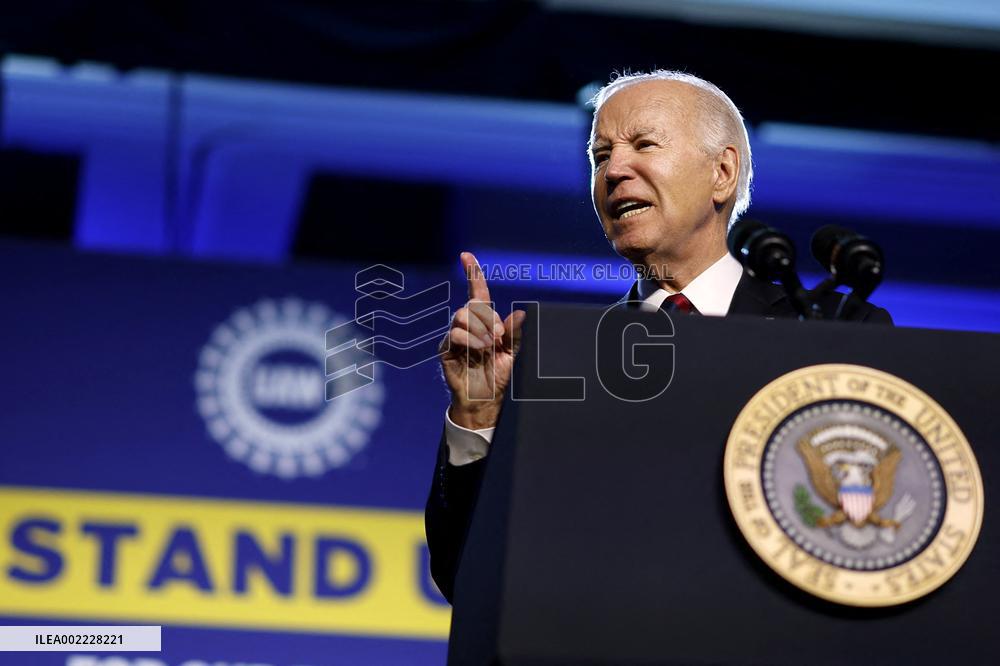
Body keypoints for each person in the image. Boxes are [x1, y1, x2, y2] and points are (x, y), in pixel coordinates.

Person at [425, 70, 891, 603]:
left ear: (722, 172)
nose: (614, 170)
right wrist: (478, 416)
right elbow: (467, 575)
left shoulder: (833, 331)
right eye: (601, 157)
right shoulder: (565, 362)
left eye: (643, 144)